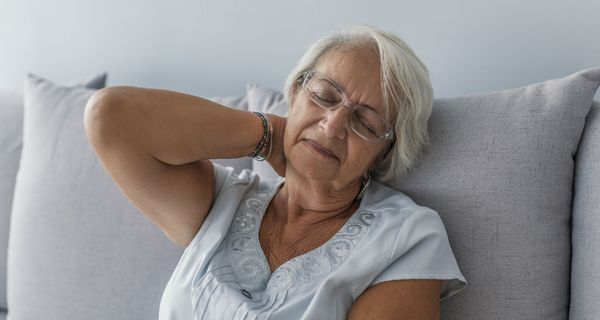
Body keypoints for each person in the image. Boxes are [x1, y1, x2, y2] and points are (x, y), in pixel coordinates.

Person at [84, 24, 467, 320]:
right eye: (325, 96)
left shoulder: (406, 236)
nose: (333, 125)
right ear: (296, 92)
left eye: (365, 122)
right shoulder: (220, 202)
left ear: (385, 152)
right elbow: (110, 117)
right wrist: (270, 135)